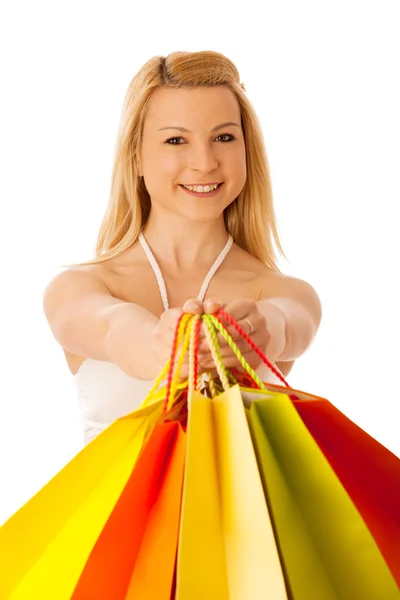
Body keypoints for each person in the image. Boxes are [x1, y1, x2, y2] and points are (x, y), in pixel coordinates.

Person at [43, 50, 322, 444]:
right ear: (135, 156)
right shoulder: (80, 287)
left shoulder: (282, 293)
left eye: (224, 137)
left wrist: (258, 333)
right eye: (176, 140)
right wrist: (161, 346)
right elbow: (112, 328)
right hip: (114, 509)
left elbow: (286, 324)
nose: (204, 162)